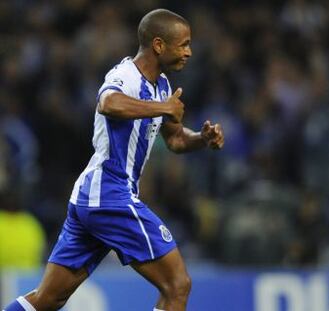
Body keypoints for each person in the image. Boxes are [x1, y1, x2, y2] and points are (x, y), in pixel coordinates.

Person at [3, 8, 224, 311]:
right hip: (110, 193)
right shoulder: (125, 75)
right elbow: (108, 102)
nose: (189, 51)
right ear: (159, 45)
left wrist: (202, 138)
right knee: (178, 285)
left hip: (91, 198)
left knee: (48, 298)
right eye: (183, 44)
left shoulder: (162, 86)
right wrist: (160, 109)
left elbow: (174, 140)